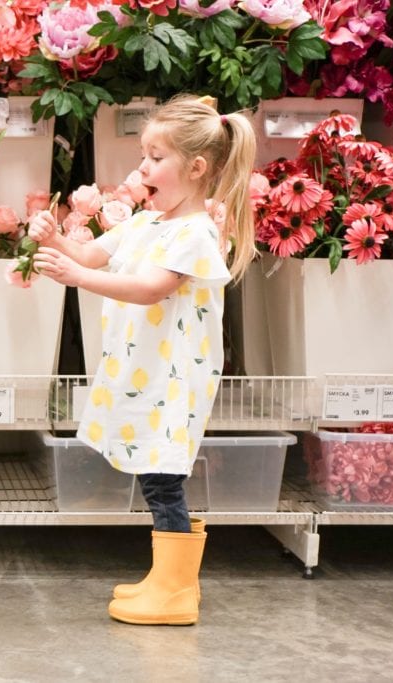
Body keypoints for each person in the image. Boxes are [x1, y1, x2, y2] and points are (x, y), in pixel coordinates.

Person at [29, 95, 255, 626]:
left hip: (173, 379)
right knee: (156, 472)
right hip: (144, 373)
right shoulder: (149, 221)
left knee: (162, 474)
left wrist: (78, 278)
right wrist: (58, 239)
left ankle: (175, 590)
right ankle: (169, 581)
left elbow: (151, 289)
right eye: (143, 154)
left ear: (196, 168)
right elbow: (94, 254)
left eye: (155, 158)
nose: (142, 168)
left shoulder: (195, 232)